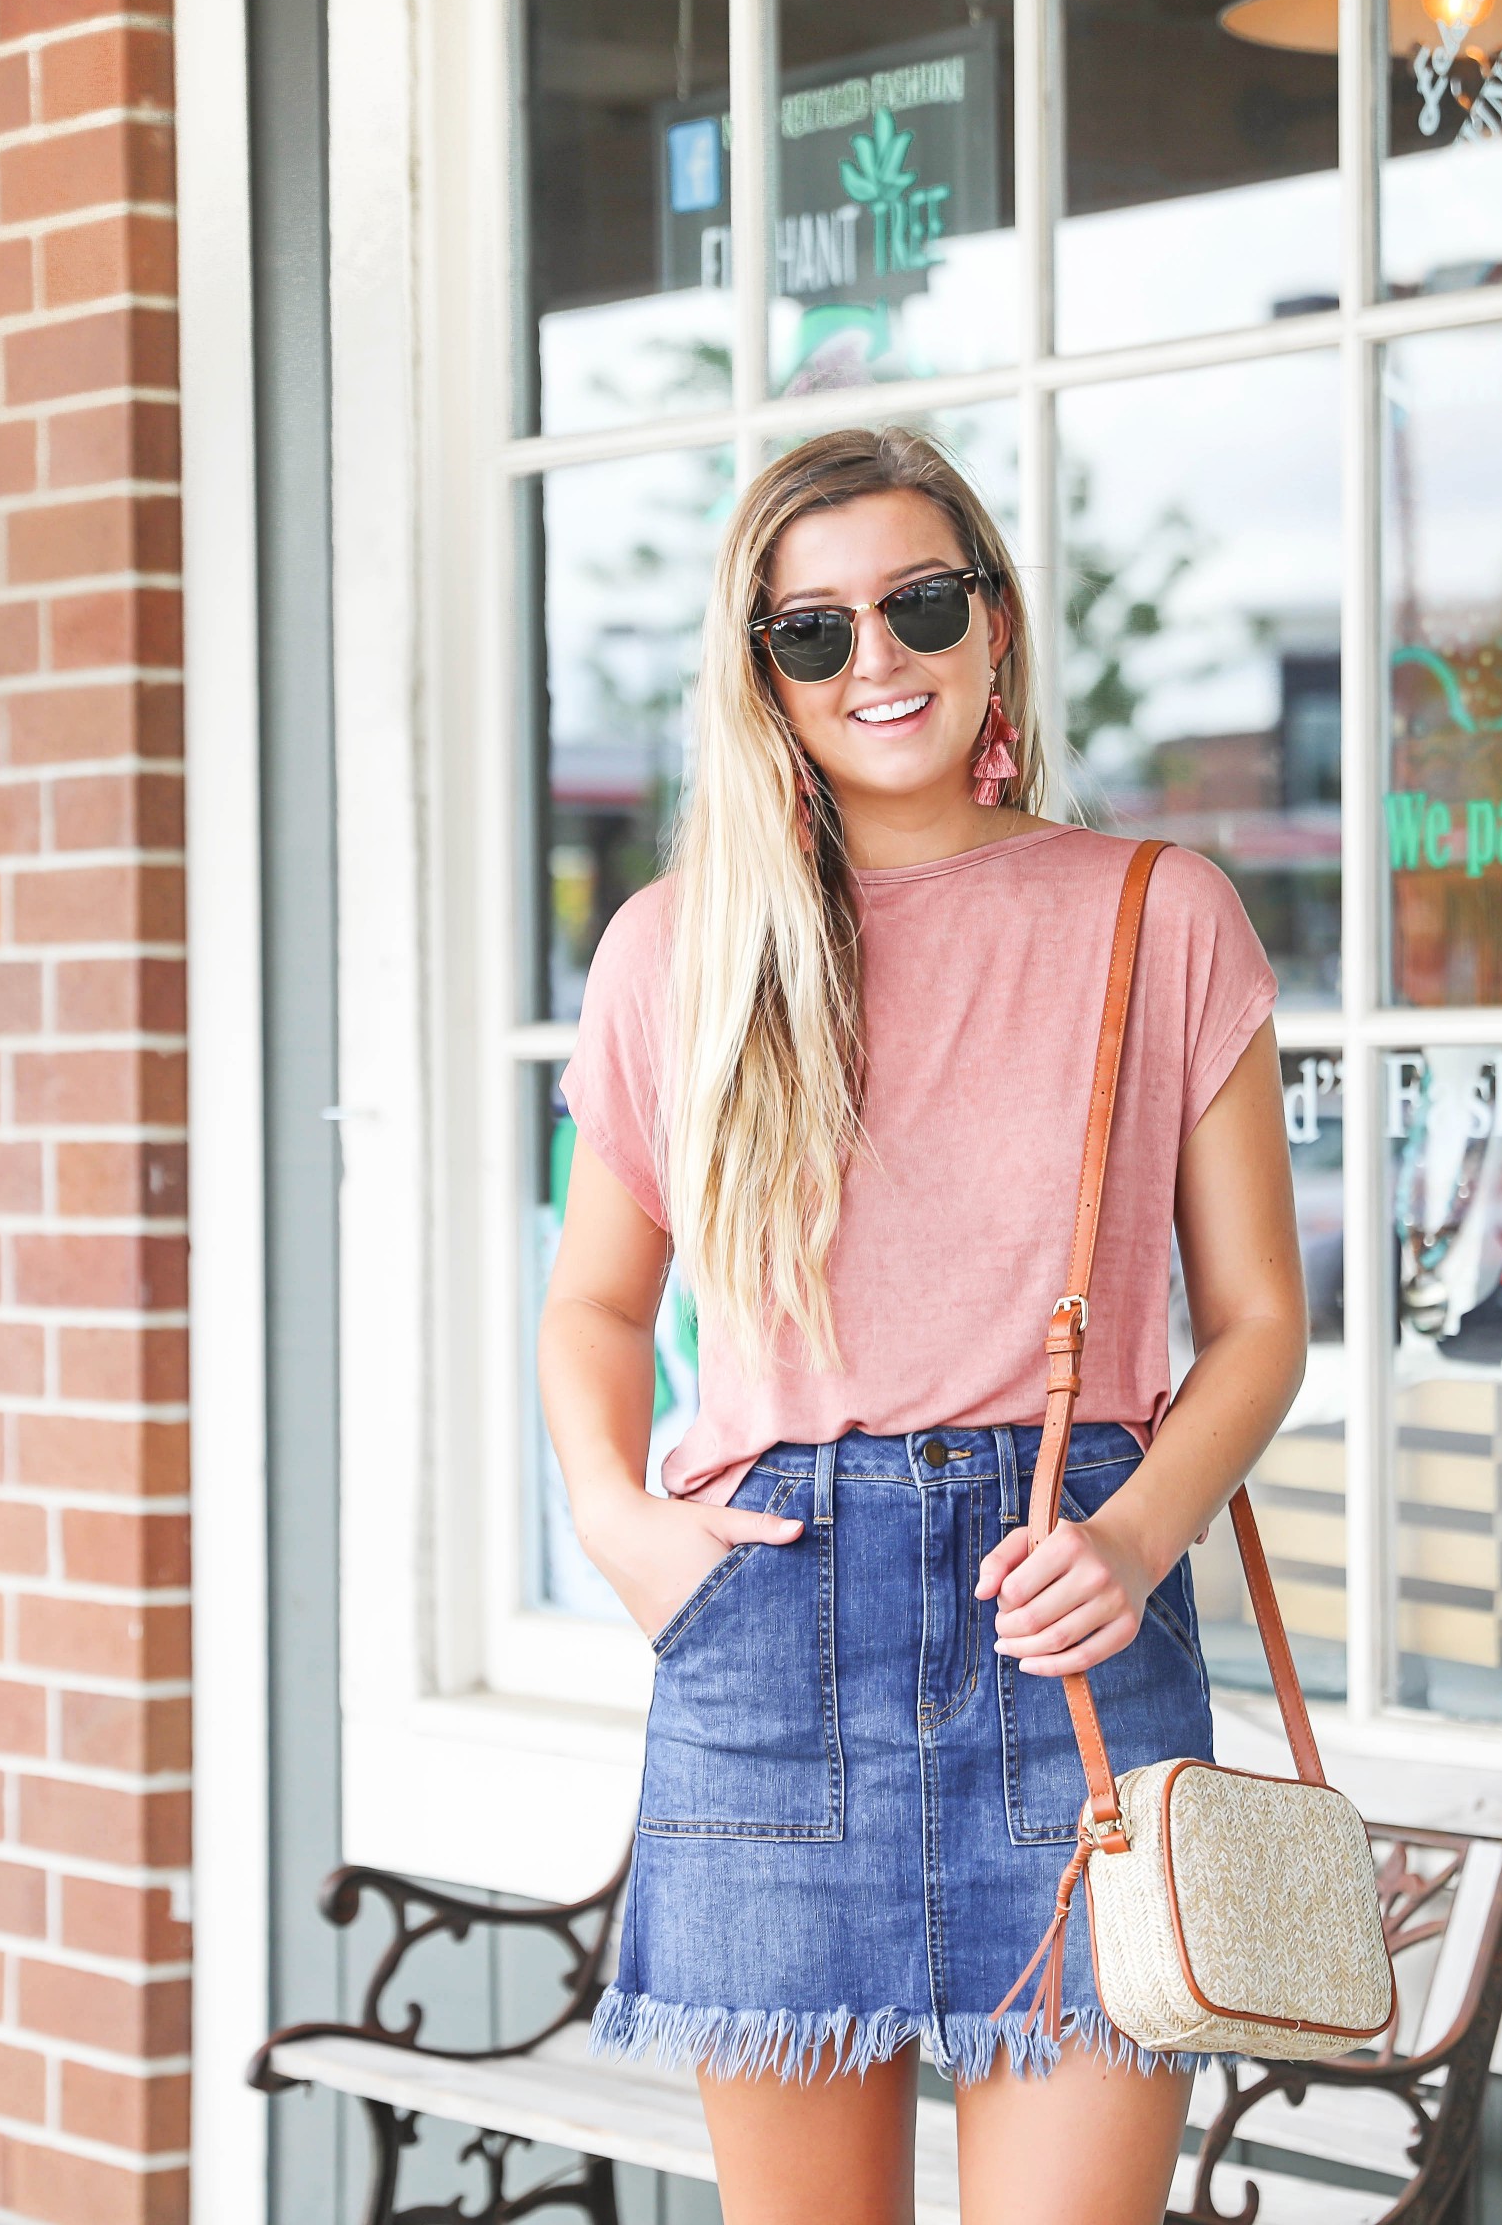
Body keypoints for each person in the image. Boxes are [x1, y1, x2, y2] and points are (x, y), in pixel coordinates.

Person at [538, 425, 1307, 2225]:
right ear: (762, 678)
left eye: (917, 605)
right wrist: (613, 1521)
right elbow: (594, 1295)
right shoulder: (680, 950)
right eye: (811, 633)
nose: (873, 660)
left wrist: (1135, 1534)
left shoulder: (1155, 911)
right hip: (770, 1622)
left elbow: (1262, 1322)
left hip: (1071, 1633)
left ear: (992, 625)